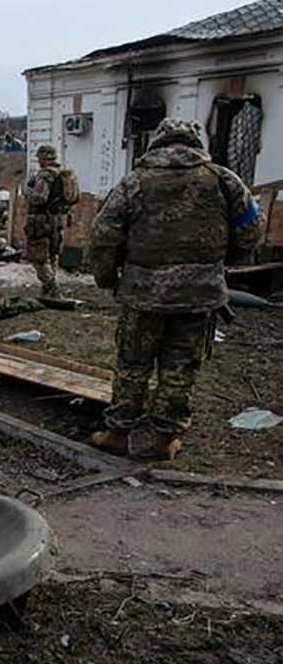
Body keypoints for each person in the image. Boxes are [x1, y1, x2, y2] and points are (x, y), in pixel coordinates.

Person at [87, 118, 264, 459]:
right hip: (199, 296)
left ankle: (118, 434)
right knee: (181, 367)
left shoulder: (134, 182)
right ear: (194, 142)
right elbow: (250, 229)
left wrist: (107, 279)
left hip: (142, 294)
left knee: (132, 365)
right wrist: (225, 263)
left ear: (159, 142)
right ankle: (164, 441)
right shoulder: (224, 180)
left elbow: (103, 236)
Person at [25, 144, 73, 297]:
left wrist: (27, 193)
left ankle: (53, 287)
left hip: (43, 221)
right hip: (58, 220)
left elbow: (39, 198)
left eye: (39, 158)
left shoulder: (46, 175)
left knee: (38, 257)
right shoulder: (63, 173)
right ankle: (48, 290)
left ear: (44, 158)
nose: (38, 161)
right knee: (52, 255)